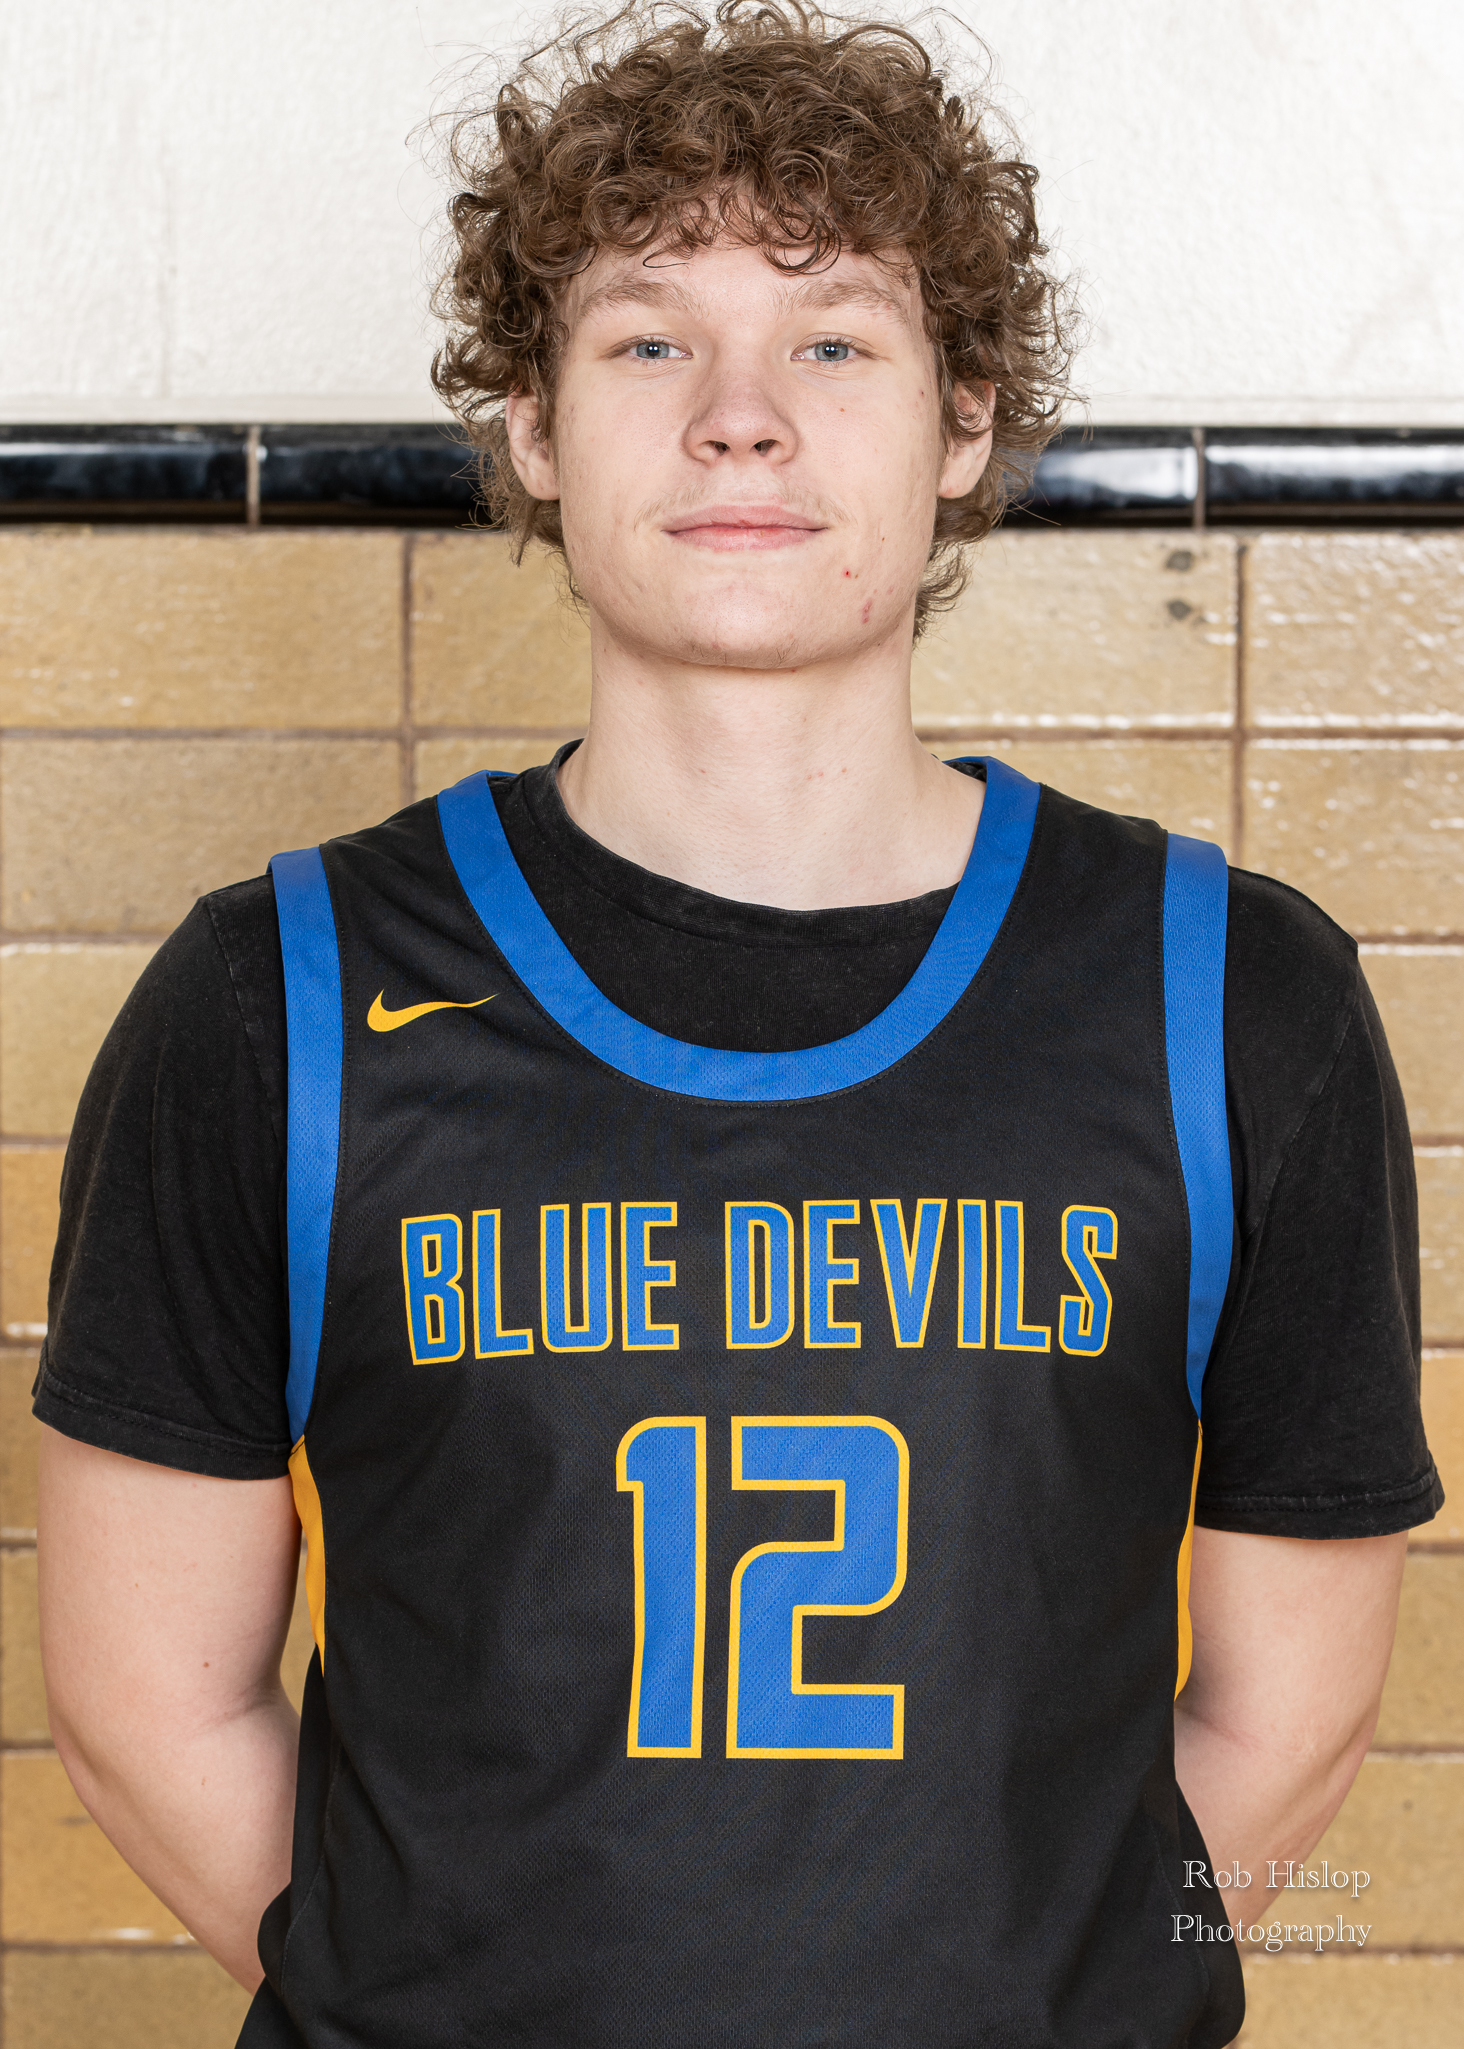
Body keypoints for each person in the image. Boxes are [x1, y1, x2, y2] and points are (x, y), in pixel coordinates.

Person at [35, 6, 1439, 2046]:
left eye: (836, 340)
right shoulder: (274, 1000)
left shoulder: (1232, 998)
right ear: (533, 423)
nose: (741, 419)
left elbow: (1287, 1714)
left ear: (963, 420)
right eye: (646, 341)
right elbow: (145, 1697)